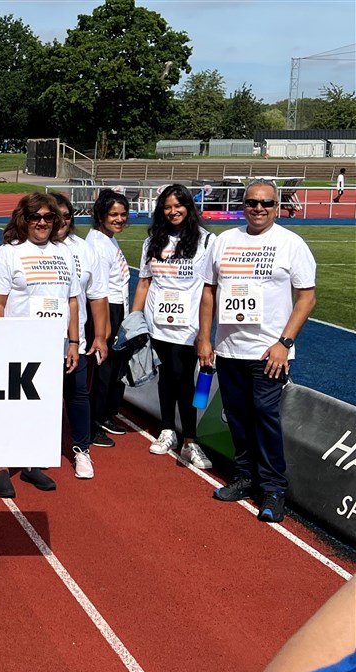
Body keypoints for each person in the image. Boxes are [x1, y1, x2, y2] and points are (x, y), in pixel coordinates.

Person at [197, 180, 316, 523]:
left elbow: (306, 298)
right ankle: (245, 476)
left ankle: (274, 488)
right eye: (251, 202)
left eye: (266, 203)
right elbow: (209, 292)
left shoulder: (291, 244)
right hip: (230, 349)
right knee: (236, 416)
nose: (258, 208)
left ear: (277, 207)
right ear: (243, 205)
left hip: (269, 353)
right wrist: (205, 338)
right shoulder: (224, 241)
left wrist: (285, 343)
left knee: (265, 419)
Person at [0, 192, 82, 497]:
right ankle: (0, 467)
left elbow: (72, 301)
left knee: (41, 407)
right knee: (9, 407)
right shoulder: (9, 253)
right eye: (35, 217)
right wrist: (2, 341)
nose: (42, 222)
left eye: (48, 217)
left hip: (53, 345)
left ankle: (29, 464)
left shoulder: (65, 253)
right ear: (24, 219)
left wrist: (74, 341)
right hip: (18, 345)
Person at [133, 184, 213, 470]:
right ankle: (168, 429)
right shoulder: (153, 241)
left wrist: (205, 333)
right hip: (157, 323)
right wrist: (135, 319)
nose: (173, 211)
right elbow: (144, 282)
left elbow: (209, 289)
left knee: (184, 378)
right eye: (167, 207)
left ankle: (190, 440)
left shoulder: (205, 241)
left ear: (188, 207)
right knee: (165, 376)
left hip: (188, 327)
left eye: (178, 205)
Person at [51, 192, 109, 480]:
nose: (61, 221)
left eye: (66, 215)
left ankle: (81, 450)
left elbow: (97, 295)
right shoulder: (25, 247)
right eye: (53, 214)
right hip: (32, 342)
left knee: (77, 394)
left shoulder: (84, 250)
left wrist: (100, 335)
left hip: (73, 342)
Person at [85, 189, 133, 449]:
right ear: (101, 215)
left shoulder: (108, 239)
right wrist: (103, 329)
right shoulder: (97, 244)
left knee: (112, 369)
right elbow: (99, 290)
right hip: (106, 310)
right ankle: (91, 424)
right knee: (101, 371)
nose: (119, 219)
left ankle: (103, 415)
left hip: (117, 308)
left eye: (123, 214)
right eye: (113, 214)